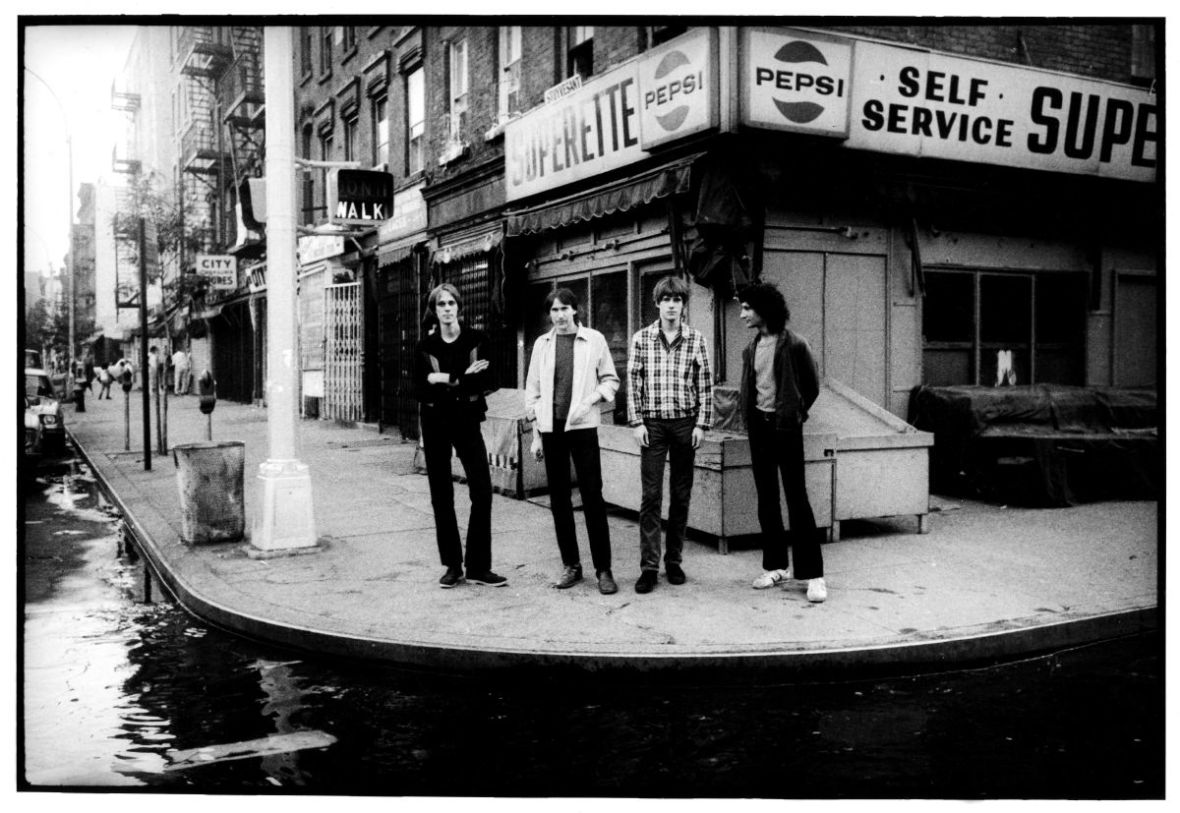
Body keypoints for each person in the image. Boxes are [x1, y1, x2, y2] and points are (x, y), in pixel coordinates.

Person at [525, 288, 621, 595]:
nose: (560, 315)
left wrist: (590, 400)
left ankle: (603, 570)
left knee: (592, 496)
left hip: (583, 428)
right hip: (551, 429)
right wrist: (536, 436)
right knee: (559, 500)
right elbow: (533, 393)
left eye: (564, 308)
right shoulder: (542, 344)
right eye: (554, 310)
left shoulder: (594, 340)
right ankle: (572, 566)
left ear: (575, 310)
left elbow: (611, 380)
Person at [737, 282, 827, 603]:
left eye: (747, 308)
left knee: (797, 498)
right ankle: (776, 567)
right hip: (759, 429)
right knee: (767, 498)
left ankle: (814, 575)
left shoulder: (796, 345)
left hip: (786, 428)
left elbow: (811, 387)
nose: (742, 314)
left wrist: (794, 413)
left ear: (764, 309)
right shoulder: (750, 349)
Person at [626, 275, 714, 594]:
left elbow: (705, 384)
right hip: (652, 425)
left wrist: (701, 424)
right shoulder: (641, 339)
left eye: (677, 300)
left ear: (683, 305)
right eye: (666, 300)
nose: (672, 306)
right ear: (657, 303)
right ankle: (649, 567)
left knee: (681, 494)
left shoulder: (696, 339)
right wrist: (637, 422)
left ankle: (673, 561)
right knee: (651, 496)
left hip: (684, 425)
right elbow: (634, 381)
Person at [414, 283, 506, 589]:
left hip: (467, 420)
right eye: (441, 304)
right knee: (441, 494)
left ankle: (478, 566)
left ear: (459, 306)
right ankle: (453, 566)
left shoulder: (477, 340)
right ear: (434, 310)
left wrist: (440, 378)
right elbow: (419, 389)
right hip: (435, 422)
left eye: (451, 303)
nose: (447, 308)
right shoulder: (424, 347)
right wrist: (460, 377)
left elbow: (488, 381)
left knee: (482, 490)